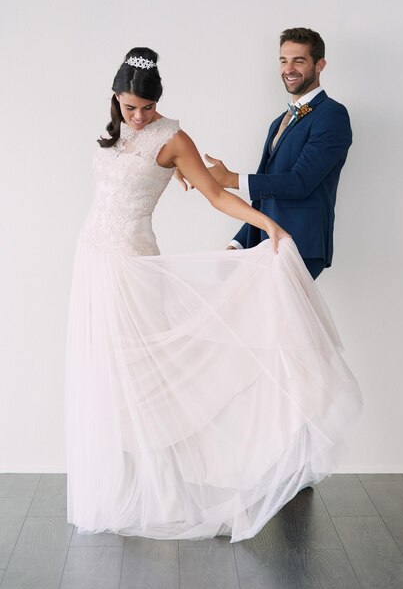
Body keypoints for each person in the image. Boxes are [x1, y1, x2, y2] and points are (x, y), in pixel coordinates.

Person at [65, 47, 361, 543]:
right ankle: (116, 486)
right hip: (90, 259)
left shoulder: (172, 137)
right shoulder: (116, 132)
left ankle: (172, 485)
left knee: (144, 372)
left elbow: (218, 194)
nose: (138, 117)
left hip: (131, 261)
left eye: (147, 108)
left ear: (159, 102)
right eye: (128, 107)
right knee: (102, 371)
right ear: (115, 100)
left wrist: (266, 224)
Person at [196, 27, 352, 280]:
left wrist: (230, 179)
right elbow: (264, 198)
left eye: (298, 61)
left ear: (320, 64)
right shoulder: (279, 121)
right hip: (265, 243)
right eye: (283, 60)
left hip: (300, 243)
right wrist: (237, 245)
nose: (288, 69)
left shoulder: (332, 115)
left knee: (275, 319)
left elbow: (300, 183)